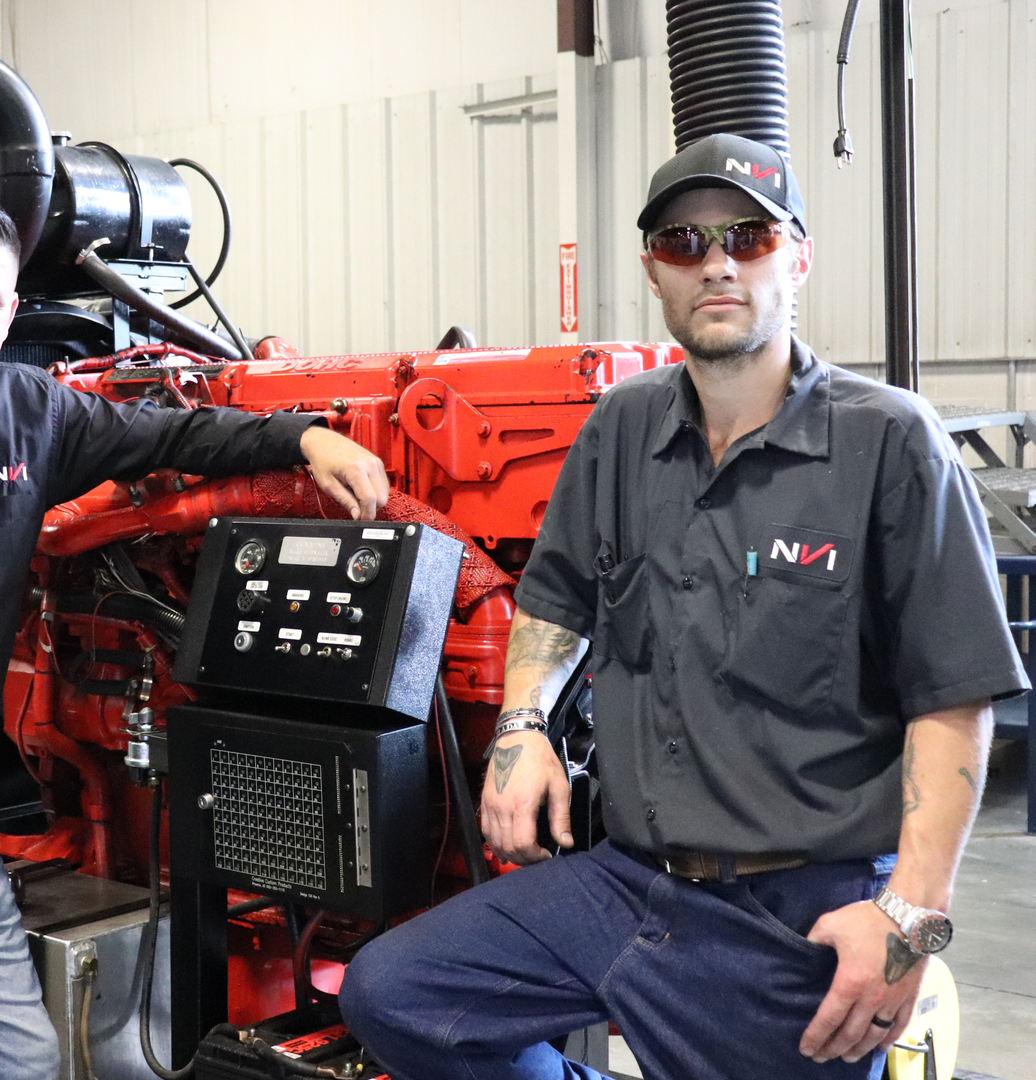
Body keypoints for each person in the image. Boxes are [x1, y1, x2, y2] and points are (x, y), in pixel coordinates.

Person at [338, 132, 1029, 1079]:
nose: (716, 264)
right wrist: (522, 727)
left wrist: (909, 918)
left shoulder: (889, 444)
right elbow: (556, 595)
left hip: (791, 914)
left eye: (748, 237)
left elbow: (953, 697)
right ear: (653, 272)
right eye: (683, 241)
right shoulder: (622, 427)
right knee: (397, 994)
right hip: (629, 884)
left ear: (798, 258)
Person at [0, 191, 393, 1079]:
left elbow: (173, 433)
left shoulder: (35, 412)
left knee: (19, 1059)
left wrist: (305, 439)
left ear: (13, 310)